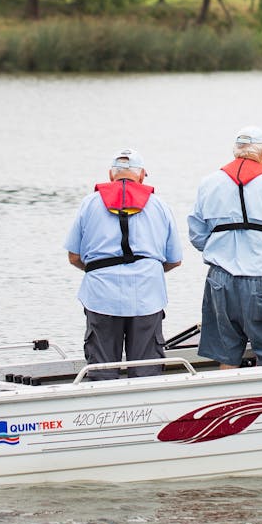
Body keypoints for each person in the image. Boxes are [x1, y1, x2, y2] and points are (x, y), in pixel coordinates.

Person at [187, 126, 262, 367]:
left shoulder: (208, 183)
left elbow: (197, 236)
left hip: (220, 280)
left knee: (226, 354)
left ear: (236, 152)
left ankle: (229, 402)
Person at [64, 148, 182, 379]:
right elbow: (174, 260)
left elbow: (74, 256)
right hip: (147, 295)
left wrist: (100, 270)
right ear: (141, 176)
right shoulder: (159, 206)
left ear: (110, 175)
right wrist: (148, 269)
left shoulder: (89, 204)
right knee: (146, 370)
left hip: (101, 296)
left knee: (101, 371)